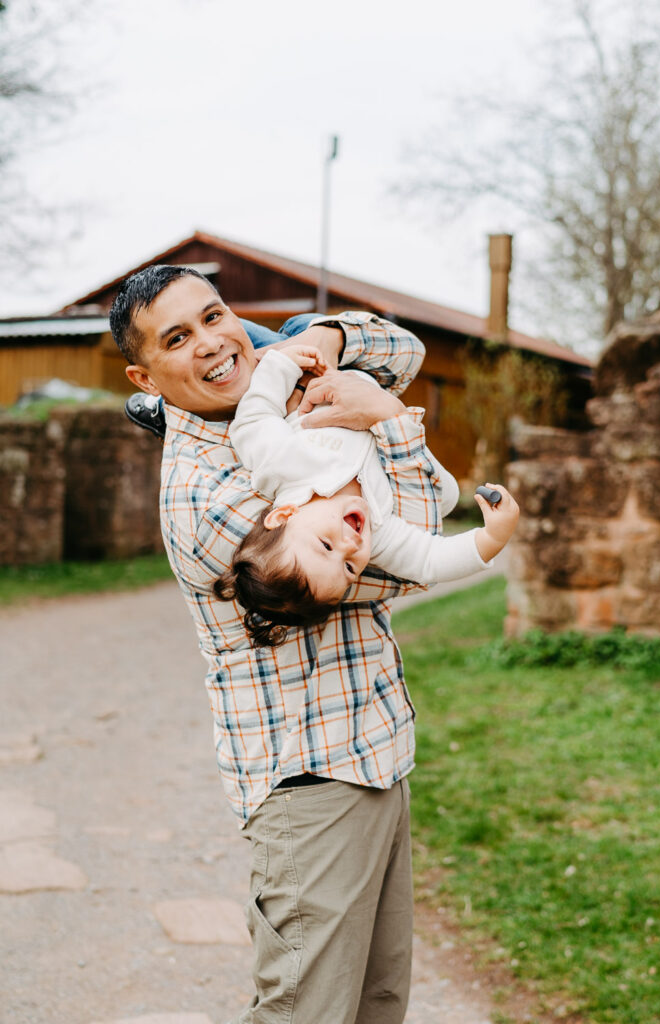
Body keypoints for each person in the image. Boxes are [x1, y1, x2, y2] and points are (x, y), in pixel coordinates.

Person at [109, 263, 518, 1024]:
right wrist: (380, 414)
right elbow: (409, 548)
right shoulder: (207, 495)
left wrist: (321, 337)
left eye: (214, 315)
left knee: (374, 1004)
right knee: (307, 1012)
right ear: (145, 372)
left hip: (375, 757)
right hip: (310, 783)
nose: (210, 342)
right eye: (177, 338)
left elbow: (401, 346)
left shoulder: (278, 414)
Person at [217, 343, 517, 646]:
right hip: (377, 391)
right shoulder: (380, 532)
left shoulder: (280, 465)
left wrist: (281, 364)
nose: (351, 546)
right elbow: (431, 561)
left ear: (283, 515)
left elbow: (253, 420)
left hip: (320, 366)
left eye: (326, 545)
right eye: (349, 568)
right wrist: (493, 538)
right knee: (447, 495)